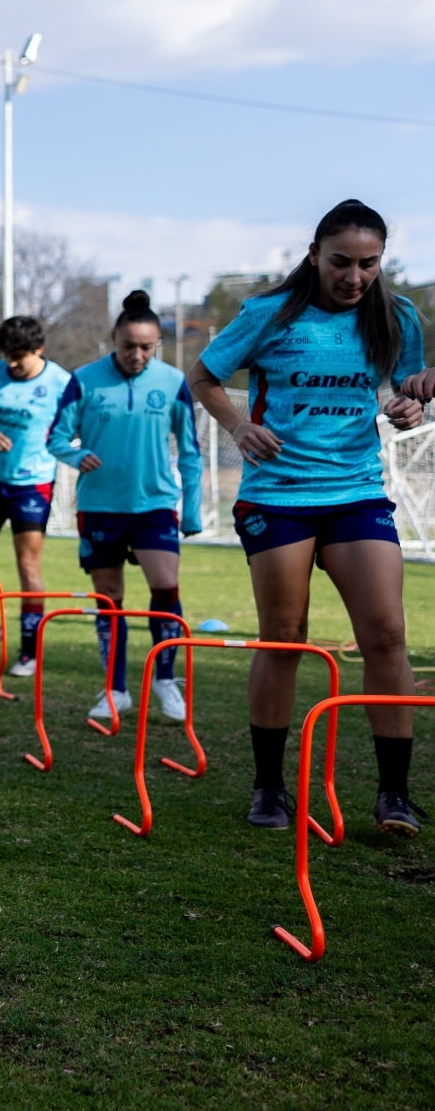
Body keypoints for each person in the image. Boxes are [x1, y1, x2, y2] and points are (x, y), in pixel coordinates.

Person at [190, 199, 429, 833]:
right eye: (341, 262)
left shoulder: (398, 315)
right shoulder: (270, 314)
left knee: (385, 635)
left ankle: (394, 795)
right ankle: (269, 788)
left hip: (356, 492)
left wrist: (410, 409)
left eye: (368, 263)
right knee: (285, 637)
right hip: (278, 498)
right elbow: (203, 378)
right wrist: (240, 427)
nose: (354, 276)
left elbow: (405, 398)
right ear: (314, 255)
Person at [47, 292, 203, 723]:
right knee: (109, 598)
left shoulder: (172, 382)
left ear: (157, 344)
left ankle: (165, 679)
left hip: (154, 505)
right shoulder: (84, 379)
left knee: (165, 587)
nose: (137, 355)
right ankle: (115, 690)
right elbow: (55, 437)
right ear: (113, 339)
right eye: (128, 346)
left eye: (146, 347)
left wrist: (192, 511)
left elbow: (190, 451)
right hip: (100, 506)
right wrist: (77, 455)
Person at [0, 316, 71, 676]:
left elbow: (75, 426)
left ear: (38, 350)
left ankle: (29, 651)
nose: (11, 363)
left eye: (18, 356)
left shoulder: (60, 382)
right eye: (7, 355)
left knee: (28, 565)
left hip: (33, 483)